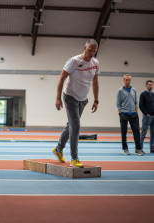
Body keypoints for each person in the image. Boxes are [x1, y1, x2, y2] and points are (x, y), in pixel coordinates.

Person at [53, 39, 100, 168]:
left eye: (94, 51)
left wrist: (96, 100)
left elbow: (95, 82)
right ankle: (74, 158)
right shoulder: (74, 61)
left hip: (83, 99)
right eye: (90, 50)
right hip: (70, 96)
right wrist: (58, 98)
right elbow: (61, 78)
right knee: (76, 126)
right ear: (85, 47)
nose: (92, 53)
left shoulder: (95, 63)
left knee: (71, 126)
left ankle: (58, 149)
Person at [117, 74, 143, 156]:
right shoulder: (120, 90)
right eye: (126, 80)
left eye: (129, 80)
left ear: (130, 80)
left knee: (136, 132)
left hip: (134, 114)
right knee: (124, 132)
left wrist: (136, 110)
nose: (128, 81)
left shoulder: (133, 90)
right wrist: (120, 112)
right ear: (124, 80)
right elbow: (118, 103)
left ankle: (138, 149)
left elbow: (136, 101)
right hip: (124, 114)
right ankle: (125, 148)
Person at [139, 80, 154, 153]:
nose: (151, 86)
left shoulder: (153, 95)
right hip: (146, 116)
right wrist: (146, 113)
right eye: (149, 85)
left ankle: (152, 148)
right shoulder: (143, 94)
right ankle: (140, 148)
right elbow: (140, 105)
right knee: (143, 133)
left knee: (153, 134)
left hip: (153, 116)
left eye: (152, 85)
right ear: (146, 86)